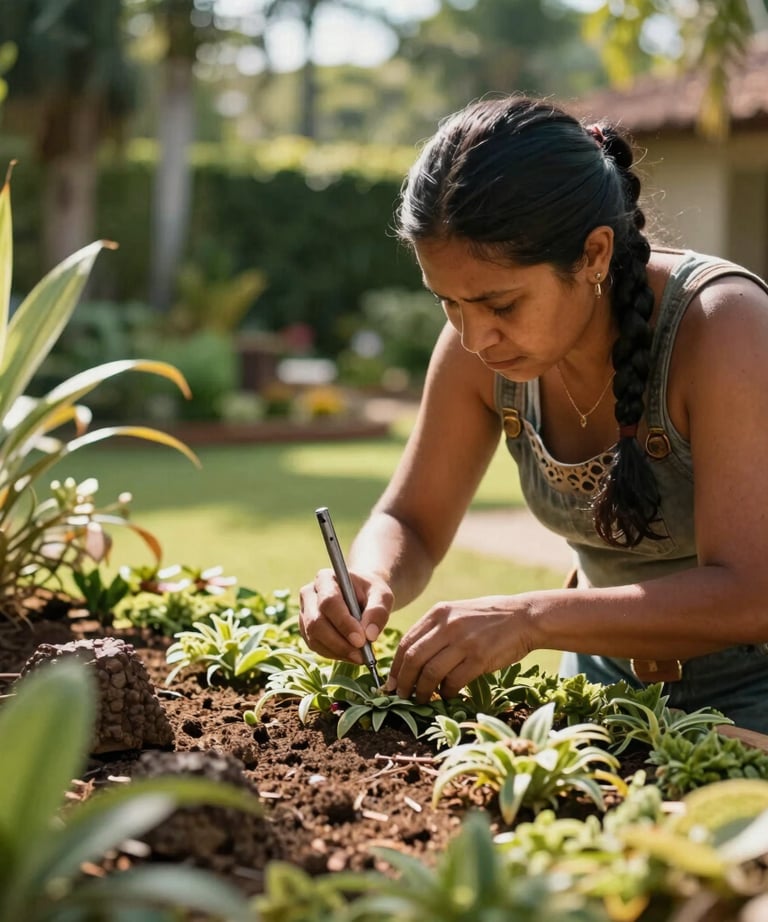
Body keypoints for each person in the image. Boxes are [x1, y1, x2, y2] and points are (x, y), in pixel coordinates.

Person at [299, 94, 768, 733]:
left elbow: (750, 592)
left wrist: (529, 618)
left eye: (501, 304)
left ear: (595, 254)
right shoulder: (481, 348)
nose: (474, 338)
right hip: (607, 692)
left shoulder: (724, 327)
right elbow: (412, 518)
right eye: (449, 304)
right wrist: (367, 575)